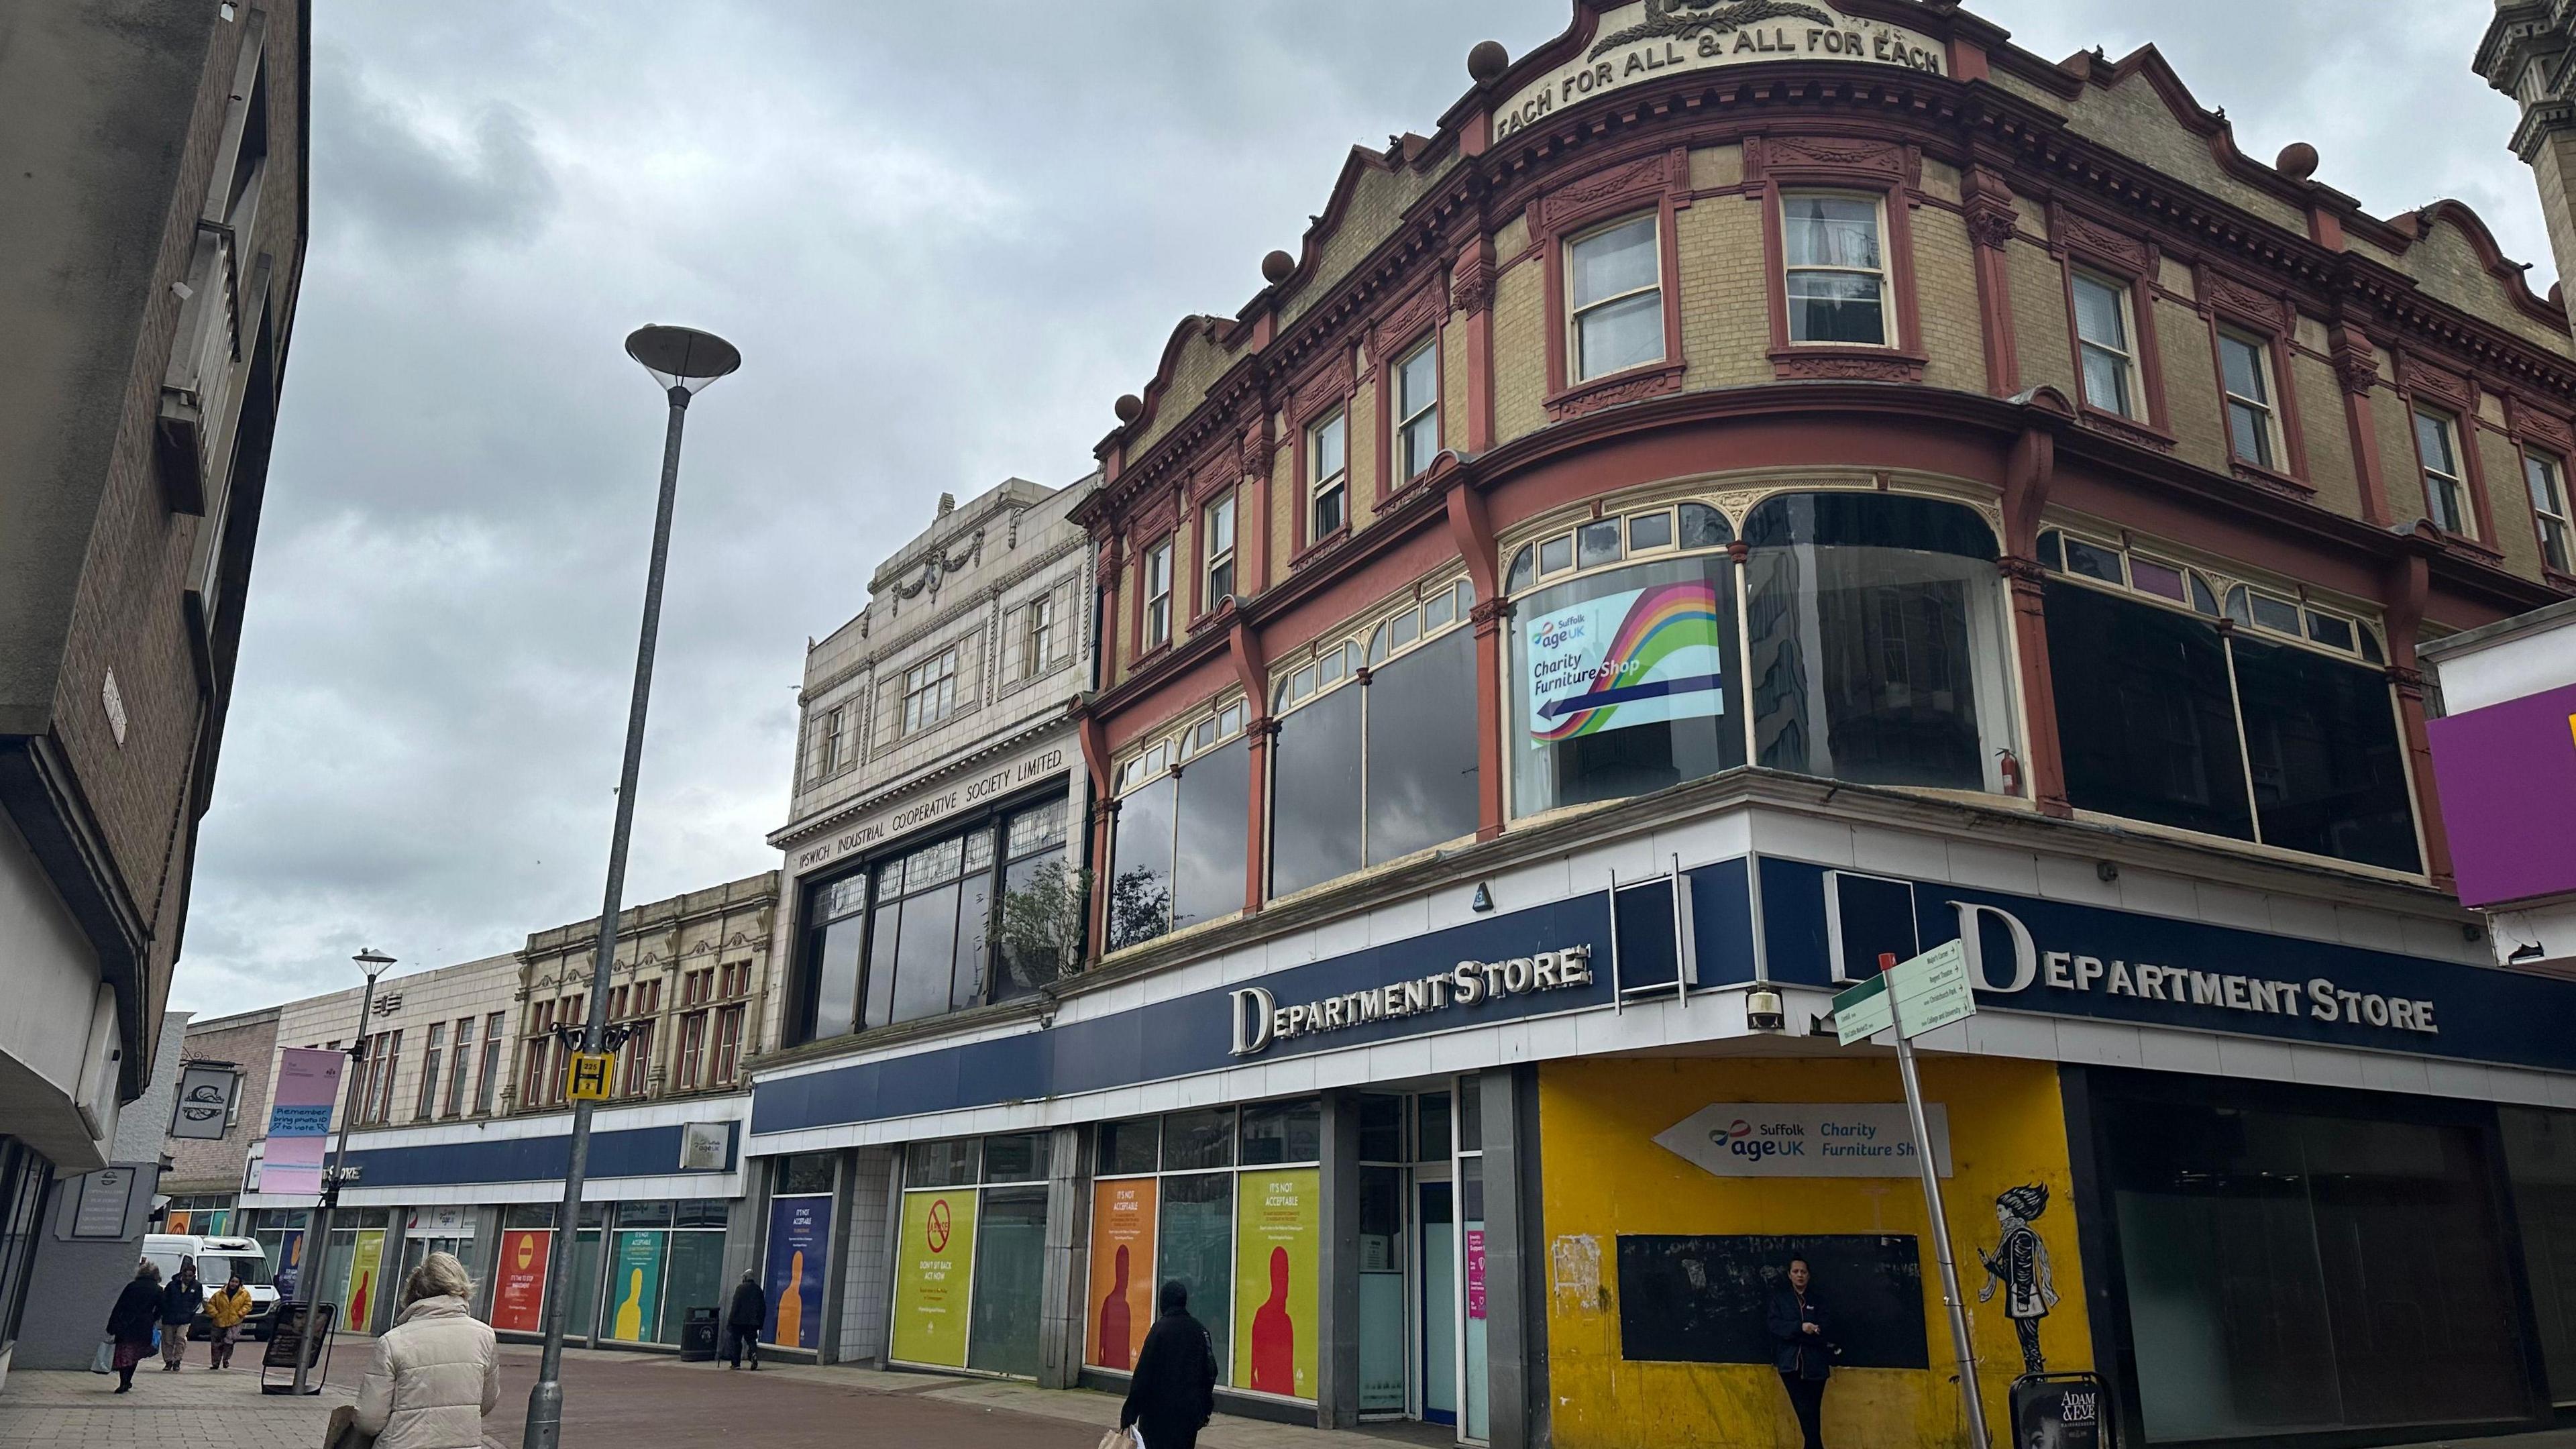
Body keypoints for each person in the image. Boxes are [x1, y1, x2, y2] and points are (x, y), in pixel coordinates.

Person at [352, 1251, 499, 1449]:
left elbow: (369, 1420)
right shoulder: (485, 1337)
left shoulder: (392, 1342)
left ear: (414, 1293)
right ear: (461, 1290)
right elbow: (486, 1403)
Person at [1121, 1280, 1218, 1449]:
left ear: (1163, 1303)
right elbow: (1210, 1371)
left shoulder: (1159, 1330)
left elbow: (1143, 1375)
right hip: (1188, 1415)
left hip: (1157, 1415)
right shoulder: (1200, 1331)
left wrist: (1130, 1413)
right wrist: (1204, 1408)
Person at [1768, 1256, 1837, 1449]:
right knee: (1804, 1411)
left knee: (1812, 1411)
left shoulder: (1819, 1300)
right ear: (1789, 1275)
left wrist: (1802, 1333)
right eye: (1796, 1272)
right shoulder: (1780, 1300)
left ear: (1809, 1275)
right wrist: (1801, 1328)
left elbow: (1826, 1327)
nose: (1800, 1275)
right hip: (1790, 1365)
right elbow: (1775, 1326)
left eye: (1803, 1272)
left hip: (1815, 1365)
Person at [105, 1262, 163, 1393]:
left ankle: (123, 1381)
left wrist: (112, 1324)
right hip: (144, 1326)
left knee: (124, 1353)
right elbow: (161, 1308)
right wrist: (152, 1318)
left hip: (126, 1323)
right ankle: (127, 1381)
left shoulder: (132, 1286)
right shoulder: (157, 1289)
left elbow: (119, 1306)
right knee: (135, 1354)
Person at [158, 1258, 204, 1371]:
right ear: (182, 1274)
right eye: (186, 1275)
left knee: (180, 1338)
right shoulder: (172, 1285)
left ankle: (177, 1360)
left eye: (190, 1276)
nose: (188, 1278)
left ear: (194, 1275)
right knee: (167, 1340)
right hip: (170, 1317)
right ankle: (168, 1361)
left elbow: (198, 1301)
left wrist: (190, 1313)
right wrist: (165, 1311)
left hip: (185, 1318)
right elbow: (164, 1299)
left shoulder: (197, 1286)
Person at [204, 1270, 254, 1370]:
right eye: (232, 1281)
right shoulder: (219, 1294)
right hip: (219, 1322)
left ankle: (226, 1359)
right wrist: (216, 1314)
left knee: (229, 1343)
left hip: (234, 1322)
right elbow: (210, 1305)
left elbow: (248, 1305)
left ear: (240, 1283)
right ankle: (215, 1363)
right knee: (216, 1344)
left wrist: (241, 1313)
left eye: (236, 1282)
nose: (234, 1284)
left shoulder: (244, 1294)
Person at [724, 1269, 767, 1371]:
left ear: (746, 1278)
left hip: (738, 1321)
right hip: (753, 1322)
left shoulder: (740, 1289)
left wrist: (730, 1321)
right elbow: (763, 1308)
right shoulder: (758, 1290)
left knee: (736, 1341)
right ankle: (753, 1353)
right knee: (751, 1340)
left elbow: (735, 1306)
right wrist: (760, 1322)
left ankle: (736, 1363)